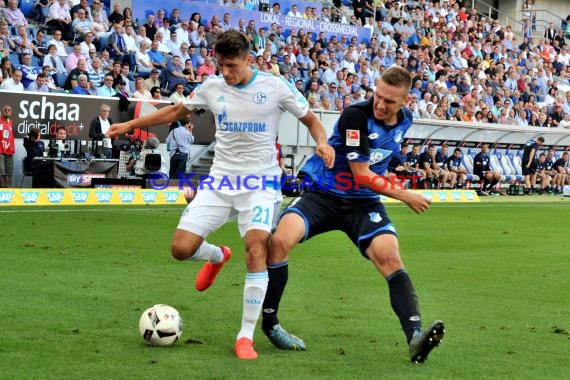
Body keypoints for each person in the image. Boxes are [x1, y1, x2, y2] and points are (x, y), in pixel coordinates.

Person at [106, 30, 334, 361]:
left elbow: (311, 120)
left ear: (248, 60)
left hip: (260, 184)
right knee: (180, 249)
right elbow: (175, 112)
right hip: (220, 182)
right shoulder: (212, 87)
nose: (225, 72)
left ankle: (244, 337)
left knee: (257, 248)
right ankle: (217, 256)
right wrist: (130, 125)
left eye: (231, 65)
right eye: (220, 65)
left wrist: (322, 142)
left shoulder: (274, 87)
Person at [261, 66, 445, 364]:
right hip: (323, 194)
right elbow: (360, 174)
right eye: (378, 96)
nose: (381, 104)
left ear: (405, 100)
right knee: (280, 240)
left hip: (364, 205)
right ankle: (270, 324)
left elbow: (382, 157)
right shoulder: (355, 116)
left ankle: (415, 337)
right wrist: (405, 194)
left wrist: (396, 170)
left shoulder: (406, 121)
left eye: (389, 101)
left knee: (391, 257)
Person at [0, 104, 15, 188]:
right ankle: (2, 192)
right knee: (1, 171)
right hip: (0, 151)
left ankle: (8, 193)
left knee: (9, 172)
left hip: (9, 151)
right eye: (5, 110)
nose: (7, 111)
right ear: (2, 111)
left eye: (9, 110)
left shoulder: (11, 123)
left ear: (11, 112)